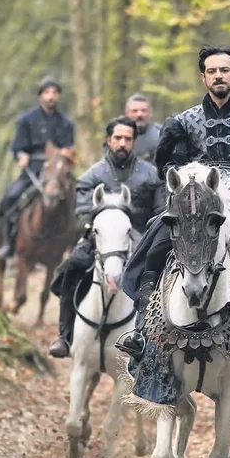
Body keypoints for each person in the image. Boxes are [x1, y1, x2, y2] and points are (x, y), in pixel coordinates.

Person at [116, 45, 230, 362]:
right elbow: (170, 165)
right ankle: (140, 331)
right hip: (193, 199)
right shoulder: (183, 122)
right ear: (203, 77)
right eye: (212, 71)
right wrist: (183, 184)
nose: (218, 76)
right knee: (156, 238)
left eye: (224, 70)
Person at [47, 116, 164, 358]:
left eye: (127, 139)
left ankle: (155, 344)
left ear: (133, 142)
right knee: (72, 266)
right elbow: (81, 211)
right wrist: (96, 228)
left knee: (162, 273)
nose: (122, 143)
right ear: (109, 140)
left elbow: (161, 210)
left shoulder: (151, 175)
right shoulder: (91, 176)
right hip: (99, 240)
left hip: (141, 241)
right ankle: (64, 335)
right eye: (117, 138)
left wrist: (148, 238)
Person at [0, 76, 77, 259]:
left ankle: (77, 245)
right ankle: (7, 242)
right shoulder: (26, 120)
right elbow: (17, 147)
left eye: (54, 92)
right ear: (40, 96)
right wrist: (21, 156)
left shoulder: (66, 124)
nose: (51, 96)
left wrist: (64, 155)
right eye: (47, 92)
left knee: (80, 200)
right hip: (33, 169)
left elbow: (70, 149)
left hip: (58, 171)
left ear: (58, 96)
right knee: (10, 198)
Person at [125, 93, 162, 162]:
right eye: (135, 111)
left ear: (150, 113)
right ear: (127, 113)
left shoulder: (161, 134)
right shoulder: (118, 136)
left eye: (143, 110)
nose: (139, 114)